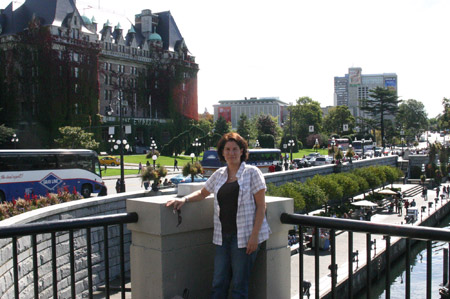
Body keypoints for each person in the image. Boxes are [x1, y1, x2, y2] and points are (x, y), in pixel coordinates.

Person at [166, 132, 270, 298]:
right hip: (222, 237)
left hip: (245, 237)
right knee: (218, 283)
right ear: (222, 152)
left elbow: (261, 206)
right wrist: (184, 199)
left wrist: (254, 236)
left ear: (242, 151)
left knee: (239, 285)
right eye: (227, 149)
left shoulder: (252, 173)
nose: (231, 153)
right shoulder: (219, 174)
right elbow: (202, 193)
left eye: (235, 149)